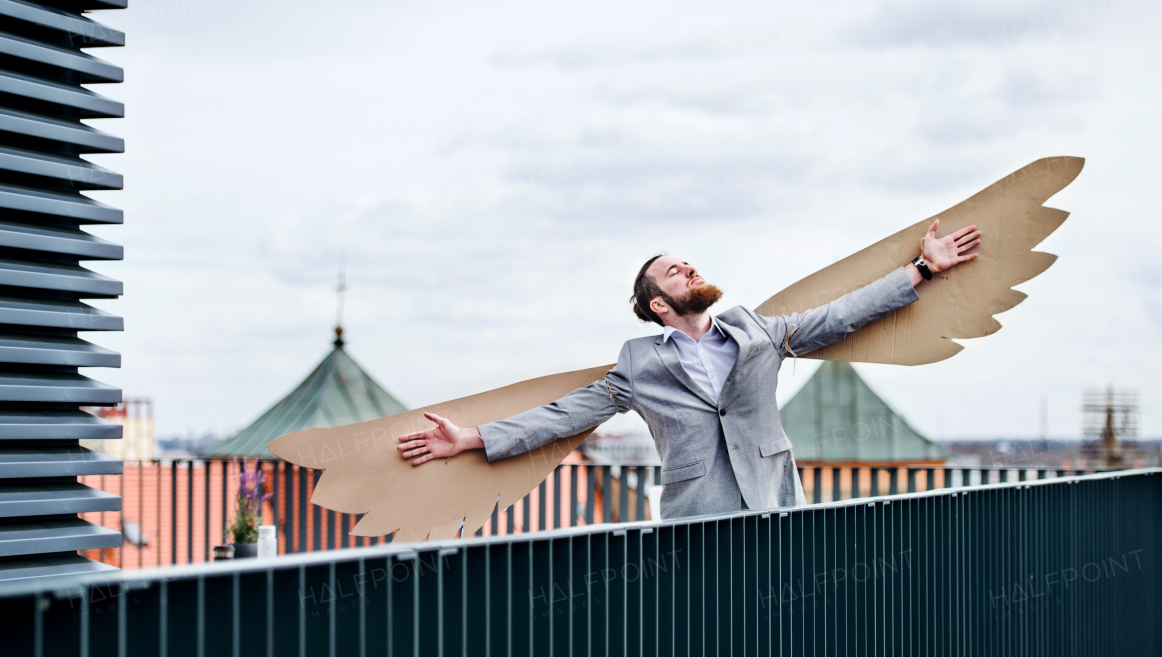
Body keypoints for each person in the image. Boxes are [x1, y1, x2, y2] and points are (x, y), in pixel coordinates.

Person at [397, 220, 981, 517]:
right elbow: (566, 414)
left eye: (690, 264)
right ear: (659, 305)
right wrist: (472, 438)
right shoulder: (639, 364)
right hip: (695, 518)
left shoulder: (758, 330)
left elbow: (841, 316)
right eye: (677, 271)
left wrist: (922, 270)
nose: (690, 270)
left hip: (774, 505)